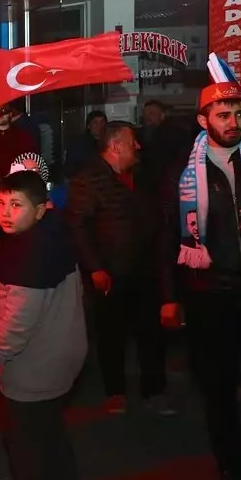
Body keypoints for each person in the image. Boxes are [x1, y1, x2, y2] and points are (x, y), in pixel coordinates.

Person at [159, 81, 241, 480]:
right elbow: (166, 238)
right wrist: (169, 296)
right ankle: (232, 470)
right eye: (224, 115)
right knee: (218, 389)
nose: (234, 123)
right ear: (203, 120)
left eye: (240, 115)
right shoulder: (183, 172)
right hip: (211, 295)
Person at [0, 170, 89, 480]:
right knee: (53, 438)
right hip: (62, 357)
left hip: (35, 364)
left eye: (17, 205)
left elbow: (17, 326)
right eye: (2, 203)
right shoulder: (54, 235)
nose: (6, 213)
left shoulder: (29, 253)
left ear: (41, 210)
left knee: (26, 450)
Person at [65, 122, 172, 416]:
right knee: (111, 335)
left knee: (152, 335)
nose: (138, 147)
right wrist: (96, 268)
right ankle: (115, 391)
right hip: (110, 273)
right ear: (115, 146)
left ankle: (155, 390)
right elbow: (78, 226)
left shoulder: (142, 176)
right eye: (132, 142)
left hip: (146, 268)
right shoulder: (88, 179)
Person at [0, 104, 38, 180]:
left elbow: (32, 159)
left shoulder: (22, 136)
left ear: (10, 114)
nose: (0, 114)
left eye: (4, 111)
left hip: (16, 184)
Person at [63, 110, 108, 179]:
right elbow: (69, 170)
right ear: (88, 126)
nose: (100, 126)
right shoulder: (78, 144)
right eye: (95, 123)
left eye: (102, 122)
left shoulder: (110, 142)